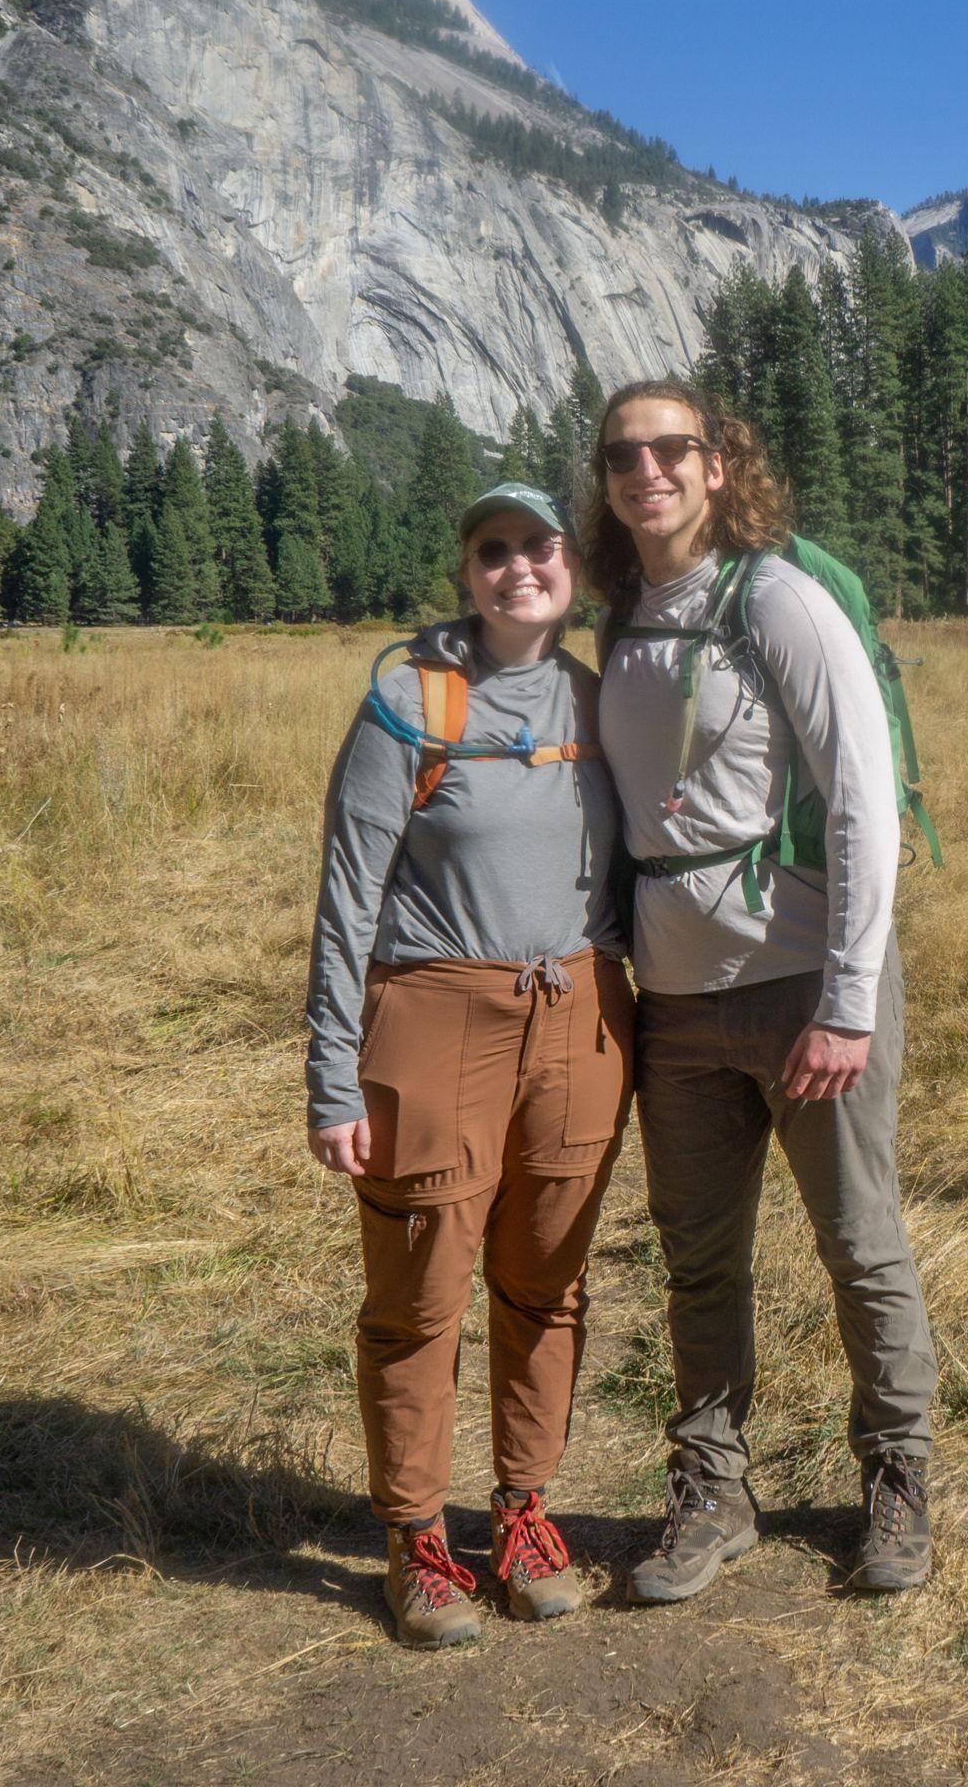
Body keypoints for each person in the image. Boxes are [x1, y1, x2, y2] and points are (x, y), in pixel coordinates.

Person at [584, 378, 937, 1602]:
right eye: (623, 454)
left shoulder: (773, 597)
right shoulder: (623, 620)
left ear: (717, 465)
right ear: (605, 481)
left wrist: (846, 1000)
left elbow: (861, 797)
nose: (647, 470)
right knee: (696, 1261)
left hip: (803, 990)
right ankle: (711, 1491)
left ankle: (896, 1477)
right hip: (676, 1007)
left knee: (859, 1244)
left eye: (672, 448)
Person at [305, 482, 633, 1649]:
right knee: (419, 1296)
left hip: (579, 1014)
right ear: (466, 571)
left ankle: (524, 1512)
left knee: (547, 1284)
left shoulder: (598, 697)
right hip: (436, 1016)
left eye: (538, 546)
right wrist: (331, 1075)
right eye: (493, 549)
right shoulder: (409, 699)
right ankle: (415, 1533)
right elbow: (347, 899)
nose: (517, 567)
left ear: (571, 566)